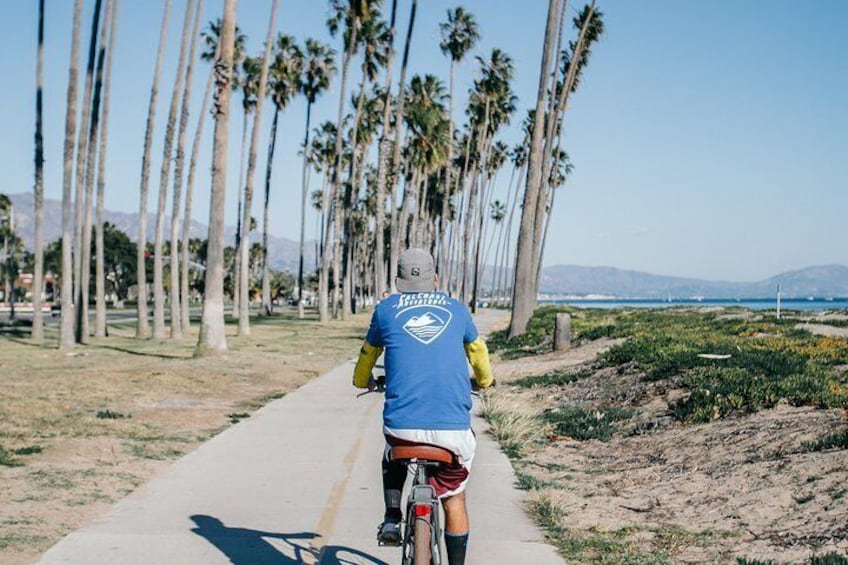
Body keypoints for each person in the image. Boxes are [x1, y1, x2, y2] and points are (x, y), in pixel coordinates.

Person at [352, 248, 494, 565]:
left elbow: (367, 353)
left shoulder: (386, 309)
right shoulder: (457, 310)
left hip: (402, 429)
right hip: (452, 434)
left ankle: (392, 517)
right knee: (453, 498)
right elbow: (478, 351)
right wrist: (484, 381)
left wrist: (362, 381)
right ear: (435, 279)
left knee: (392, 454)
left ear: (398, 281)